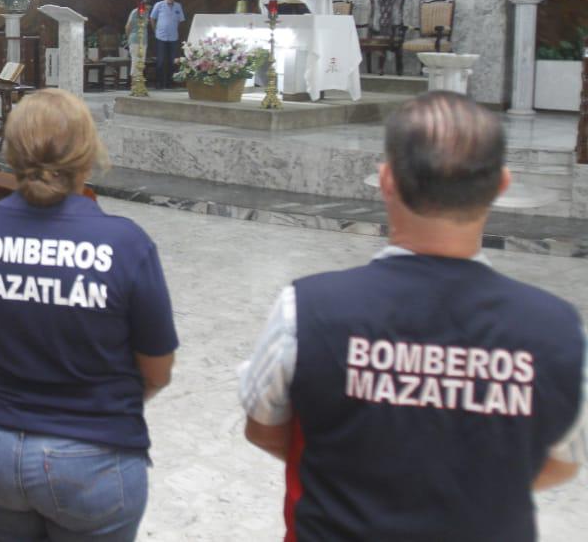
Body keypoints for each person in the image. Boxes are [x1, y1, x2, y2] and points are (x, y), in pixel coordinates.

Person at [239, 91, 588, 541]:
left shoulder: (305, 310)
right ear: (502, 184)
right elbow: (563, 459)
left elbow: (264, 427)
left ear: (386, 180)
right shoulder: (556, 330)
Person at [0, 89, 178, 540]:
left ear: (11, 152)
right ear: (88, 155)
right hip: (93, 458)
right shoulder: (124, 242)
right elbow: (157, 371)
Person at [148, 0, 184, 90]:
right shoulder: (159, 5)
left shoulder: (178, 6)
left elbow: (180, 20)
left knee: (173, 61)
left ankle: (170, 83)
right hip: (161, 37)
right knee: (161, 61)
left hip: (173, 37)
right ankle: (160, 83)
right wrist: (155, 31)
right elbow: (152, 18)